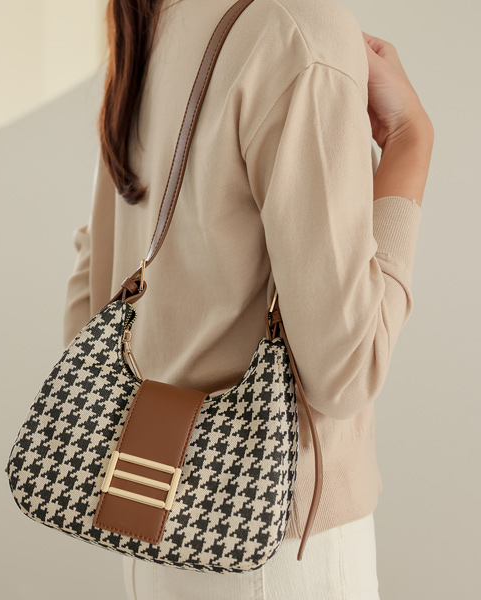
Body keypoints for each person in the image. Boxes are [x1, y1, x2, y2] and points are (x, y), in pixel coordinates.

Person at [62, 0, 434, 598]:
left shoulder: (151, 19)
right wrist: (411, 142)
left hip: (148, 532)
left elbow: (89, 299)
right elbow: (346, 371)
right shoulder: (296, 28)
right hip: (273, 550)